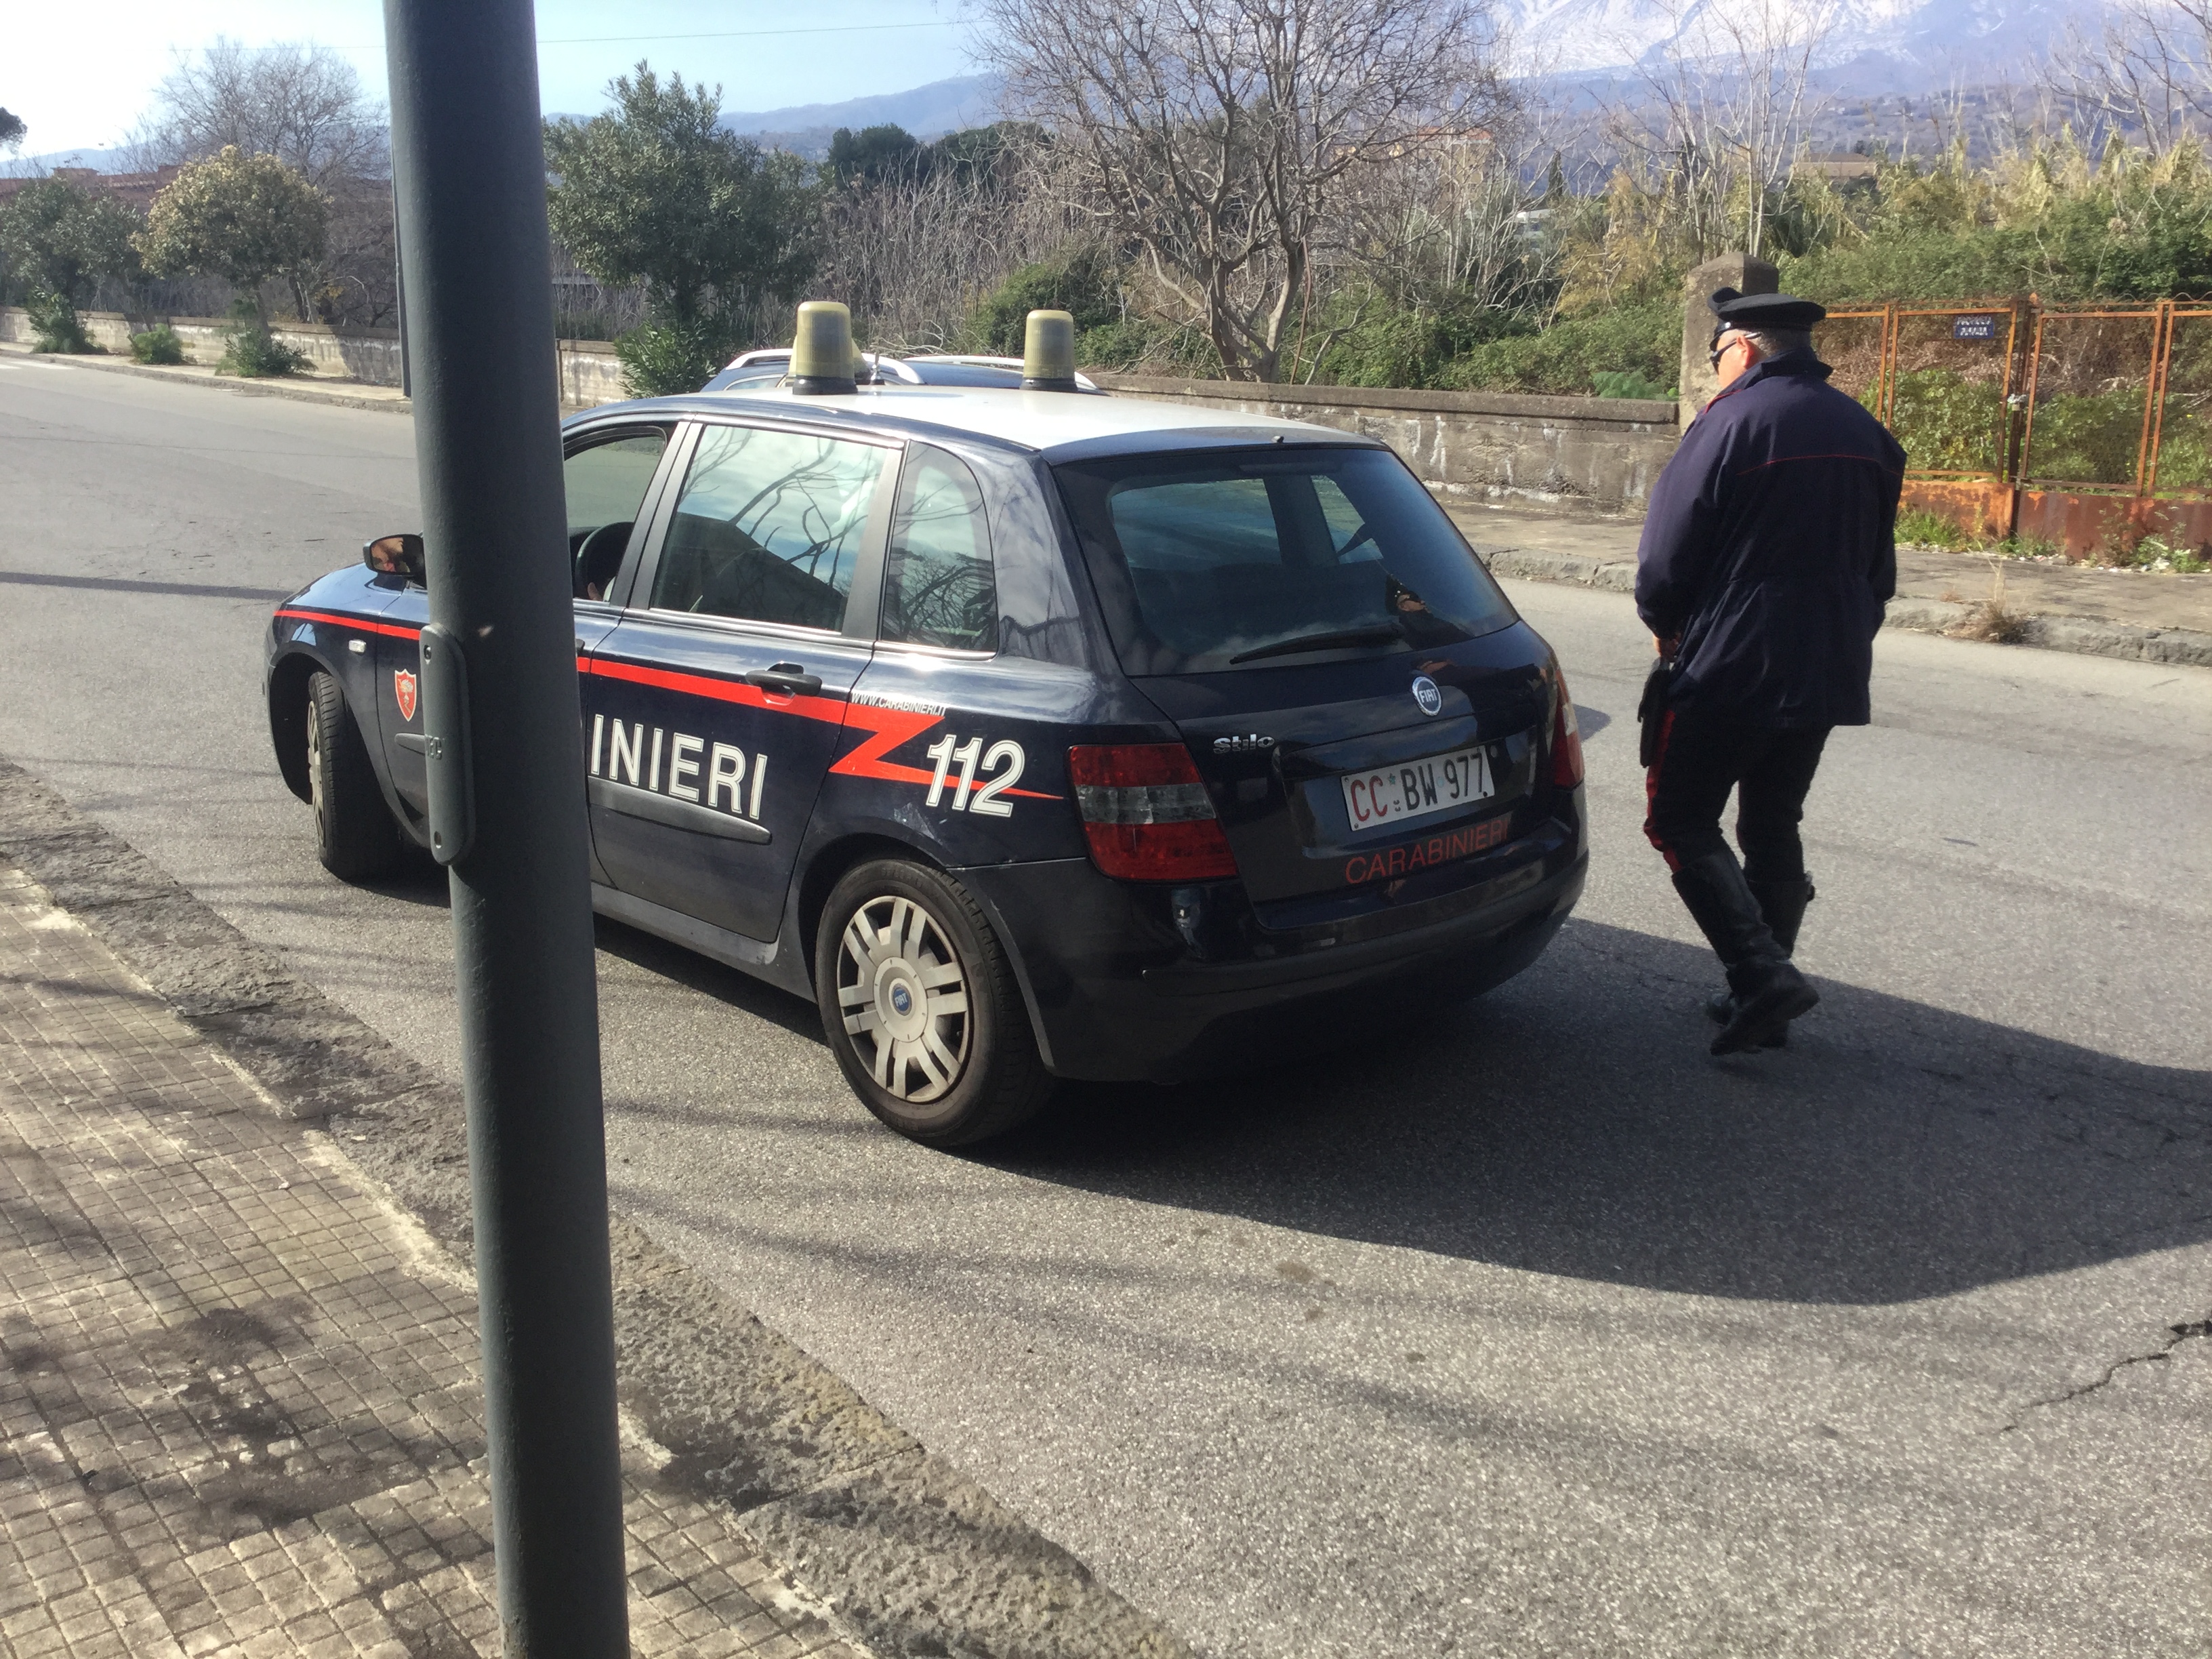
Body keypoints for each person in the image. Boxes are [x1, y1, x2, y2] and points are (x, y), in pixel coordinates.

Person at [1636, 288, 1905, 1054]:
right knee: (1771, 821)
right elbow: (1879, 569)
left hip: (1730, 663)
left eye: (1719, 355)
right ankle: (1763, 991)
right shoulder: (1866, 431)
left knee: (1680, 818)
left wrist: (1669, 629)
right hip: (1830, 662)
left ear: (1744, 349)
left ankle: (1760, 975)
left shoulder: (1729, 424)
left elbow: (1663, 561)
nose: (1716, 370)